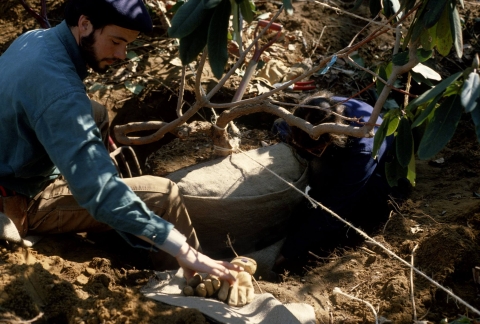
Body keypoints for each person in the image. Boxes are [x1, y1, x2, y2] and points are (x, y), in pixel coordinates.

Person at [0, 0, 242, 285]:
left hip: (11, 156)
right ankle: (184, 285)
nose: (121, 54)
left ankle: (115, 223)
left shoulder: (35, 40)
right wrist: (183, 248)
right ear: (85, 24)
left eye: (127, 44)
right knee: (164, 196)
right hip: (19, 199)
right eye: (115, 41)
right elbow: (97, 190)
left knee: (98, 113)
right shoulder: (61, 94)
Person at [273, 91, 395, 270]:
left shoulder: (363, 149)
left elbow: (335, 207)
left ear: (334, 140)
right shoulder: (310, 112)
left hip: (383, 170)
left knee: (363, 202)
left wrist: (289, 251)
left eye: (314, 150)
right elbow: (280, 127)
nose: (305, 154)